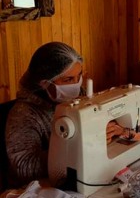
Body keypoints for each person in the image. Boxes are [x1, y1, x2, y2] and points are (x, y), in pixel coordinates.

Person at [4, 42, 125, 188]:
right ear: (44, 83)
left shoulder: (80, 95)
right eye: (68, 79)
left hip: (78, 176)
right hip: (38, 191)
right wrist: (82, 145)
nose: (76, 85)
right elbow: (24, 167)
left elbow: (101, 119)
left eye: (78, 76)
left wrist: (116, 127)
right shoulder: (24, 114)